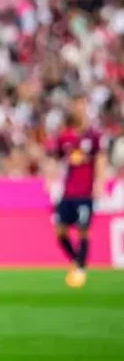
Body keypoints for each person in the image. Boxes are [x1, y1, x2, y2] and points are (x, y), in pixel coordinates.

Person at [48, 101, 107, 288]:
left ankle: (80, 268)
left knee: (83, 229)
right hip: (67, 193)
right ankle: (75, 259)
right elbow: (55, 159)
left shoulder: (93, 136)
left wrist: (100, 182)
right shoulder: (64, 136)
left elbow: (100, 159)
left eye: (83, 108)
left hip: (84, 193)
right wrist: (50, 178)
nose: (80, 111)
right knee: (60, 231)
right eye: (77, 108)